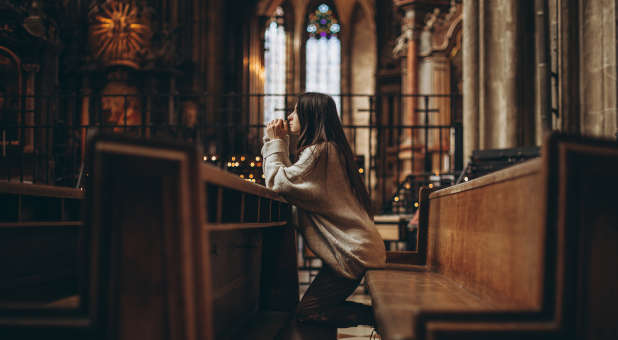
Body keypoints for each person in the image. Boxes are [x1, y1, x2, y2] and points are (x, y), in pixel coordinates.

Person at [261, 92, 386, 328]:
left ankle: (386, 319)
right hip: (356, 249)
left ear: (311, 115)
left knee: (308, 313)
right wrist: (281, 144)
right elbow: (292, 185)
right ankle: (383, 318)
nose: (289, 116)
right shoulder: (328, 150)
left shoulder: (320, 152)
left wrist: (276, 142)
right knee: (311, 311)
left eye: (296, 110)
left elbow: (278, 182)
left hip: (352, 252)